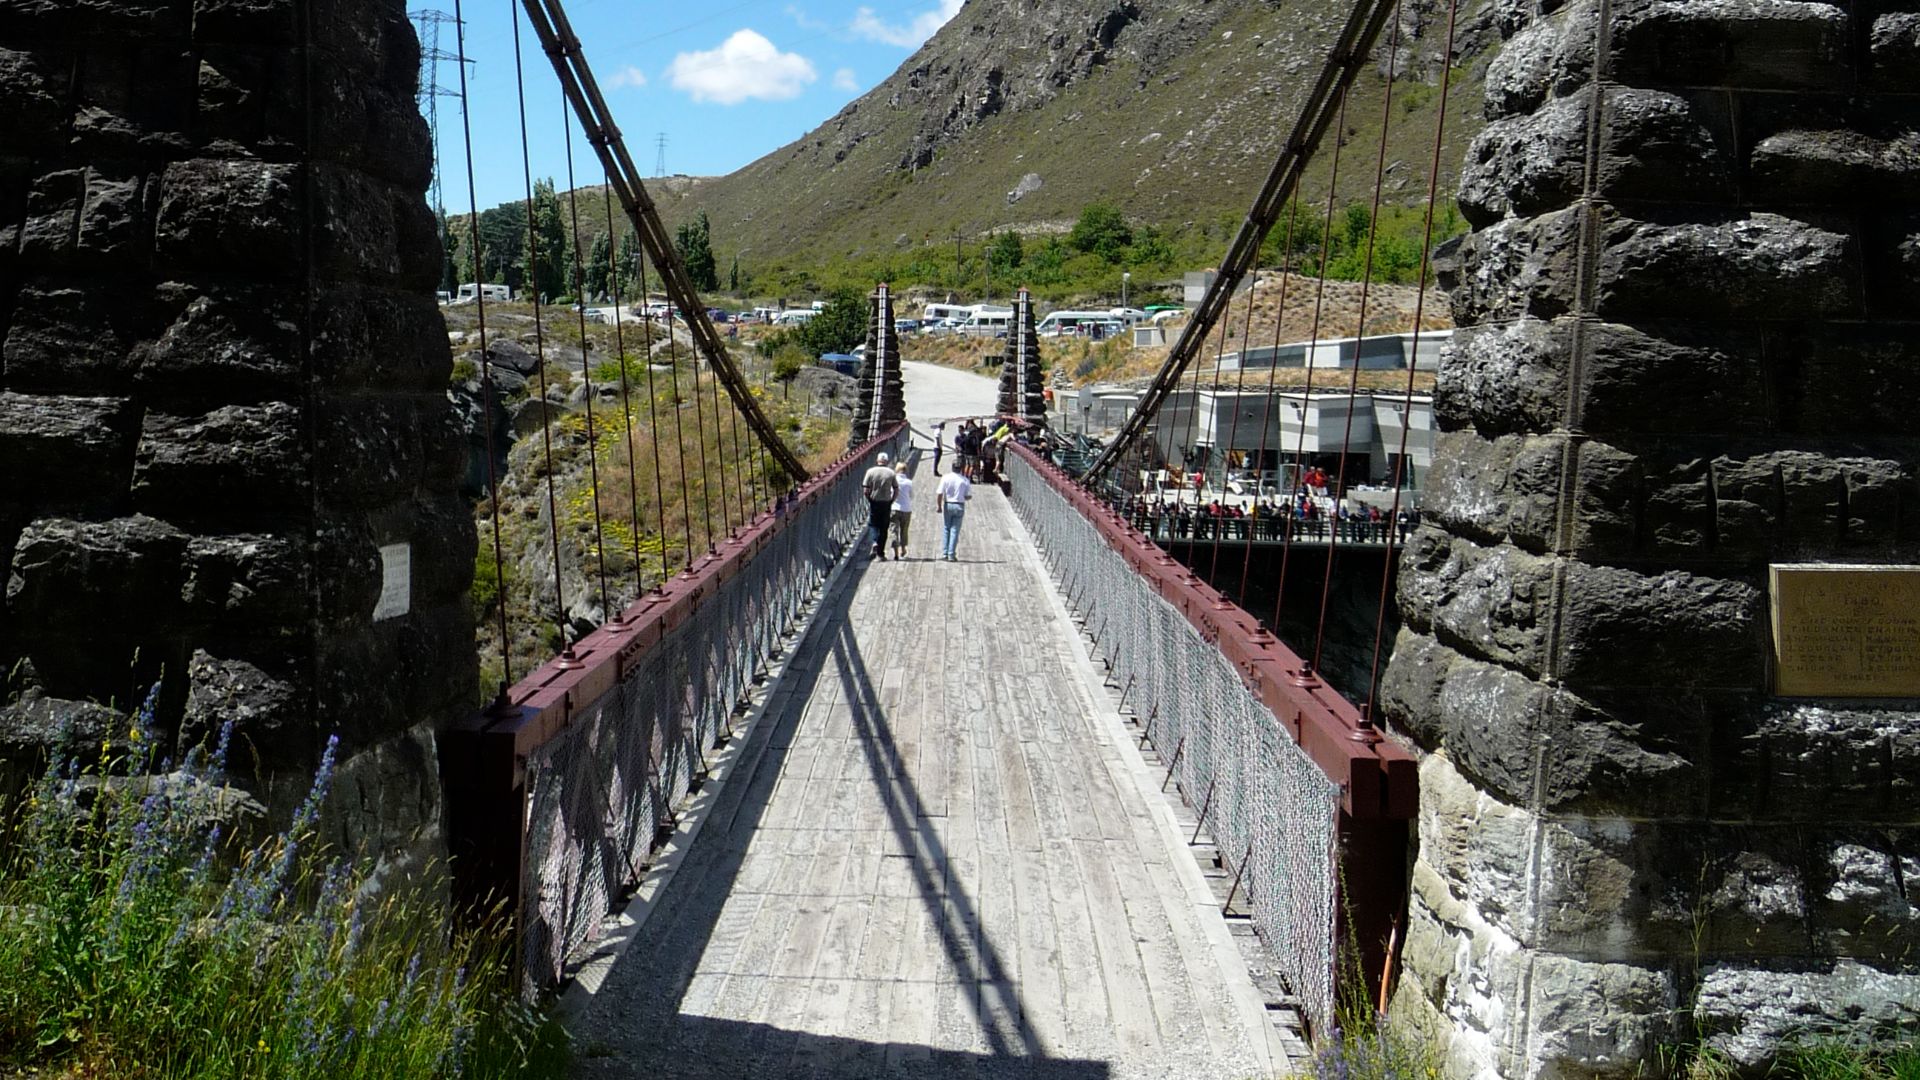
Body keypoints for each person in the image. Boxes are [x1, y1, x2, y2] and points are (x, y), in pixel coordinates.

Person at [862, 451, 898, 559]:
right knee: (884, 527)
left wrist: (869, 499)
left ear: (877, 460)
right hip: (886, 502)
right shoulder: (891, 473)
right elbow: (896, 489)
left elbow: (865, 489)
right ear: (886, 461)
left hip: (875, 501)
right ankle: (881, 553)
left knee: (873, 524)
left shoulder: (870, 472)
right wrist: (892, 500)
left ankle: (874, 542)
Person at [936, 465, 972, 561]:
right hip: (959, 505)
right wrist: (961, 496)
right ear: (960, 469)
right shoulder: (965, 480)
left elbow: (939, 493)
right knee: (955, 530)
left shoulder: (945, 478)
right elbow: (968, 496)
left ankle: (945, 553)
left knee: (946, 528)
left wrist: (939, 506)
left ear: (951, 467)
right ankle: (951, 554)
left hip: (948, 504)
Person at [889, 462, 913, 559]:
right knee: (904, 530)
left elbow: (890, 494)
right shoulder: (909, 482)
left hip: (894, 508)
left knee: (894, 530)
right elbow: (911, 496)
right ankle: (903, 548)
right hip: (906, 509)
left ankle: (896, 553)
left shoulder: (893, 481)